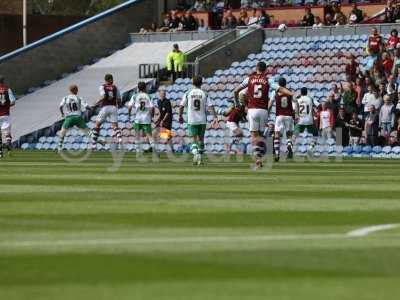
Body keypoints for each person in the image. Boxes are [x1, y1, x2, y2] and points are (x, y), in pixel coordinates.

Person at [234, 61, 293, 169]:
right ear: (265, 70)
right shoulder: (268, 80)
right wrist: (291, 93)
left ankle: (257, 159)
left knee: (254, 136)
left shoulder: (249, 79)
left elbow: (237, 91)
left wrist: (238, 103)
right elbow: (279, 88)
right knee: (261, 136)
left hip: (252, 110)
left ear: (256, 68)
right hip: (263, 110)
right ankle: (260, 157)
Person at [179, 75, 218, 165]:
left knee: (193, 139)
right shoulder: (204, 93)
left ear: (192, 83)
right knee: (201, 139)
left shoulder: (188, 93)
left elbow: (181, 106)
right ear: (201, 83)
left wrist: (180, 116)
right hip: (202, 120)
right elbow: (211, 106)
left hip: (192, 120)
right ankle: (200, 159)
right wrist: (215, 117)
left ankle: (196, 154)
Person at [91, 74, 122, 150]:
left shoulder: (102, 87)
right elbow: (119, 99)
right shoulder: (115, 88)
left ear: (105, 80)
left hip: (105, 107)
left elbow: (103, 96)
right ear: (111, 79)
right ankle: (120, 140)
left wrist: (96, 103)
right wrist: (120, 105)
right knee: (115, 126)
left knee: (97, 125)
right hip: (113, 107)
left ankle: (94, 145)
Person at [268, 77, 295, 161]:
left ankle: (276, 154)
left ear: (278, 84)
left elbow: (270, 104)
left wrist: (267, 113)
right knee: (289, 134)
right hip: (289, 116)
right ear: (285, 84)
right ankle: (289, 146)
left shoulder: (274, 92)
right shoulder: (289, 92)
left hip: (279, 116)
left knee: (276, 135)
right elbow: (294, 104)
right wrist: (295, 114)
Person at [58, 85, 91, 151]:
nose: (77, 91)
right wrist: (90, 108)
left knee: (62, 132)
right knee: (88, 132)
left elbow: (60, 106)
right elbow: (86, 106)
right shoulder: (79, 98)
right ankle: (97, 142)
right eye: (77, 89)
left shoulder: (65, 98)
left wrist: (62, 114)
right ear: (75, 90)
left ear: (70, 90)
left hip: (69, 118)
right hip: (78, 117)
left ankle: (59, 148)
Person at [128, 81, 155, 153]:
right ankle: (154, 149)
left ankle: (137, 151)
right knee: (149, 135)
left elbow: (130, 106)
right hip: (146, 118)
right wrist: (152, 116)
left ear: (138, 88)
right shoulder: (149, 96)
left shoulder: (135, 96)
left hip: (138, 118)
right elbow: (152, 108)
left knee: (137, 134)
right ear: (145, 87)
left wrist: (129, 115)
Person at [294, 87, 320, 153]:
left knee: (295, 134)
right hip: (309, 120)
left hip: (300, 120)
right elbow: (319, 105)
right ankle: (311, 148)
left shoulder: (298, 99)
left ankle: (290, 145)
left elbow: (294, 108)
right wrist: (315, 110)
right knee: (315, 133)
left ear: (301, 92)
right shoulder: (310, 99)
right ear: (306, 92)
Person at [0, 75, 16, 158]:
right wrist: (6, 106)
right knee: (7, 133)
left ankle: (0, 153)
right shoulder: (8, 89)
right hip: (6, 114)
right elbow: (13, 102)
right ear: (3, 81)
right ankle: (8, 143)